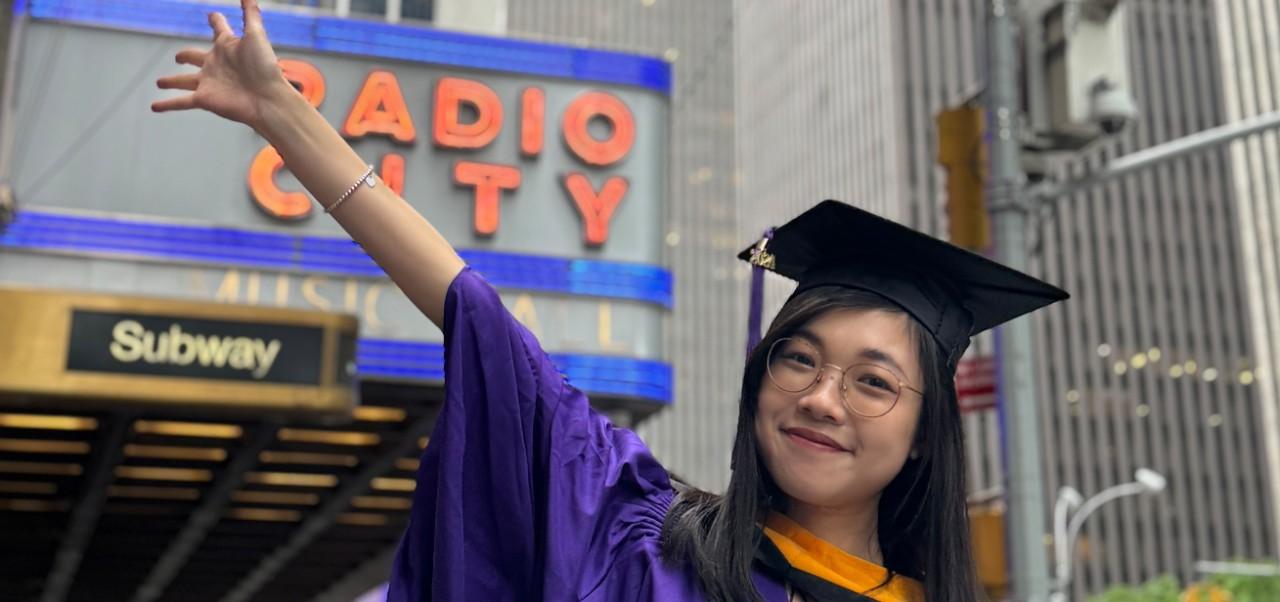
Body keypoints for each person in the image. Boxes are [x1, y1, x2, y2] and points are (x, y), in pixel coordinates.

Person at [153, 3, 1068, 600]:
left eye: (874, 383)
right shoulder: (647, 546)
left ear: (922, 432)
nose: (822, 398)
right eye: (799, 358)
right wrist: (285, 117)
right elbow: (489, 333)